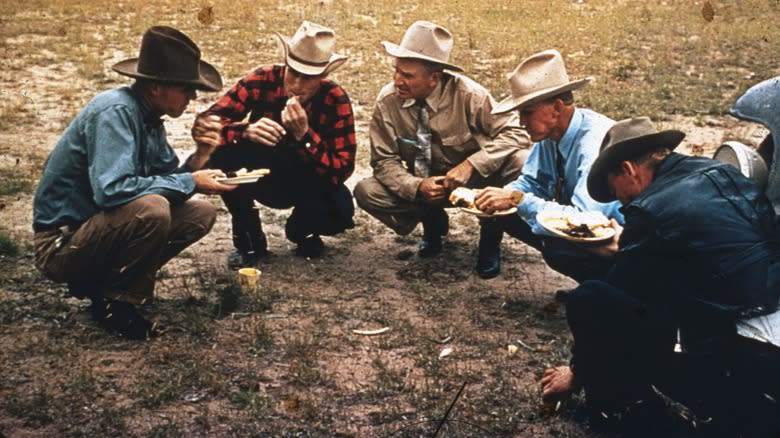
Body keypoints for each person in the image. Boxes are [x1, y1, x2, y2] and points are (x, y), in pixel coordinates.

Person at [541, 118, 780, 436]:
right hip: (769, 312)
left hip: (747, 355)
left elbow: (617, 298)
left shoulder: (650, 212)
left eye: (619, 194)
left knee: (590, 299)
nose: (622, 202)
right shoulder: (722, 172)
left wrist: (577, 371)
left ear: (629, 169)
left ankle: (623, 414)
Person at [32, 26, 234, 339]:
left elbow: (172, 182)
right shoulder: (116, 111)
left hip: (93, 232)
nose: (193, 97)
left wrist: (201, 155)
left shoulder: (149, 117)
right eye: (185, 87)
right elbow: (113, 191)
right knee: (152, 209)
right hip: (62, 243)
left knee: (201, 212)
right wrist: (191, 180)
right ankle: (117, 304)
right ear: (155, 87)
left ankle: (107, 288)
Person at [353, 20, 530, 279]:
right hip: (426, 187)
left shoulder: (469, 95)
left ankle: (491, 235)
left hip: (478, 184)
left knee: (521, 161)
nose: (397, 80)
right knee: (367, 191)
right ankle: (431, 222)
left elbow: (517, 133)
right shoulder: (388, 101)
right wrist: (416, 186)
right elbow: (383, 161)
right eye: (396, 71)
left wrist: (471, 165)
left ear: (434, 78)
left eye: (408, 75)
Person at [193, 21, 356, 268]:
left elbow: (342, 169)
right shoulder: (262, 79)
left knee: (340, 209)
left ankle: (303, 231)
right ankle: (248, 239)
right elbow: (204, 125)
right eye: (293, 72)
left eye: (309, 77)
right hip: (259, 172)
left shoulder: (335, 98)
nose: (297, 85)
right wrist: (244, 131)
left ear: (322, 77)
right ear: (286, 65)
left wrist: (306, 137)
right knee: (220, 152)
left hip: (305, 179)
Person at [475, 49, 623, 283]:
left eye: (527, 112)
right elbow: (532, 181)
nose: (521, 123)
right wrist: (503, 195)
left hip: (622, 235)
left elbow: (585, 219)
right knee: (505, 213)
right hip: (589, 221)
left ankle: (607, 288)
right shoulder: (551, 134)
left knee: (560, 247)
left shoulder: (593, 143)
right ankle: (592, 284)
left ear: (556, 108)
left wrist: (519, 200)